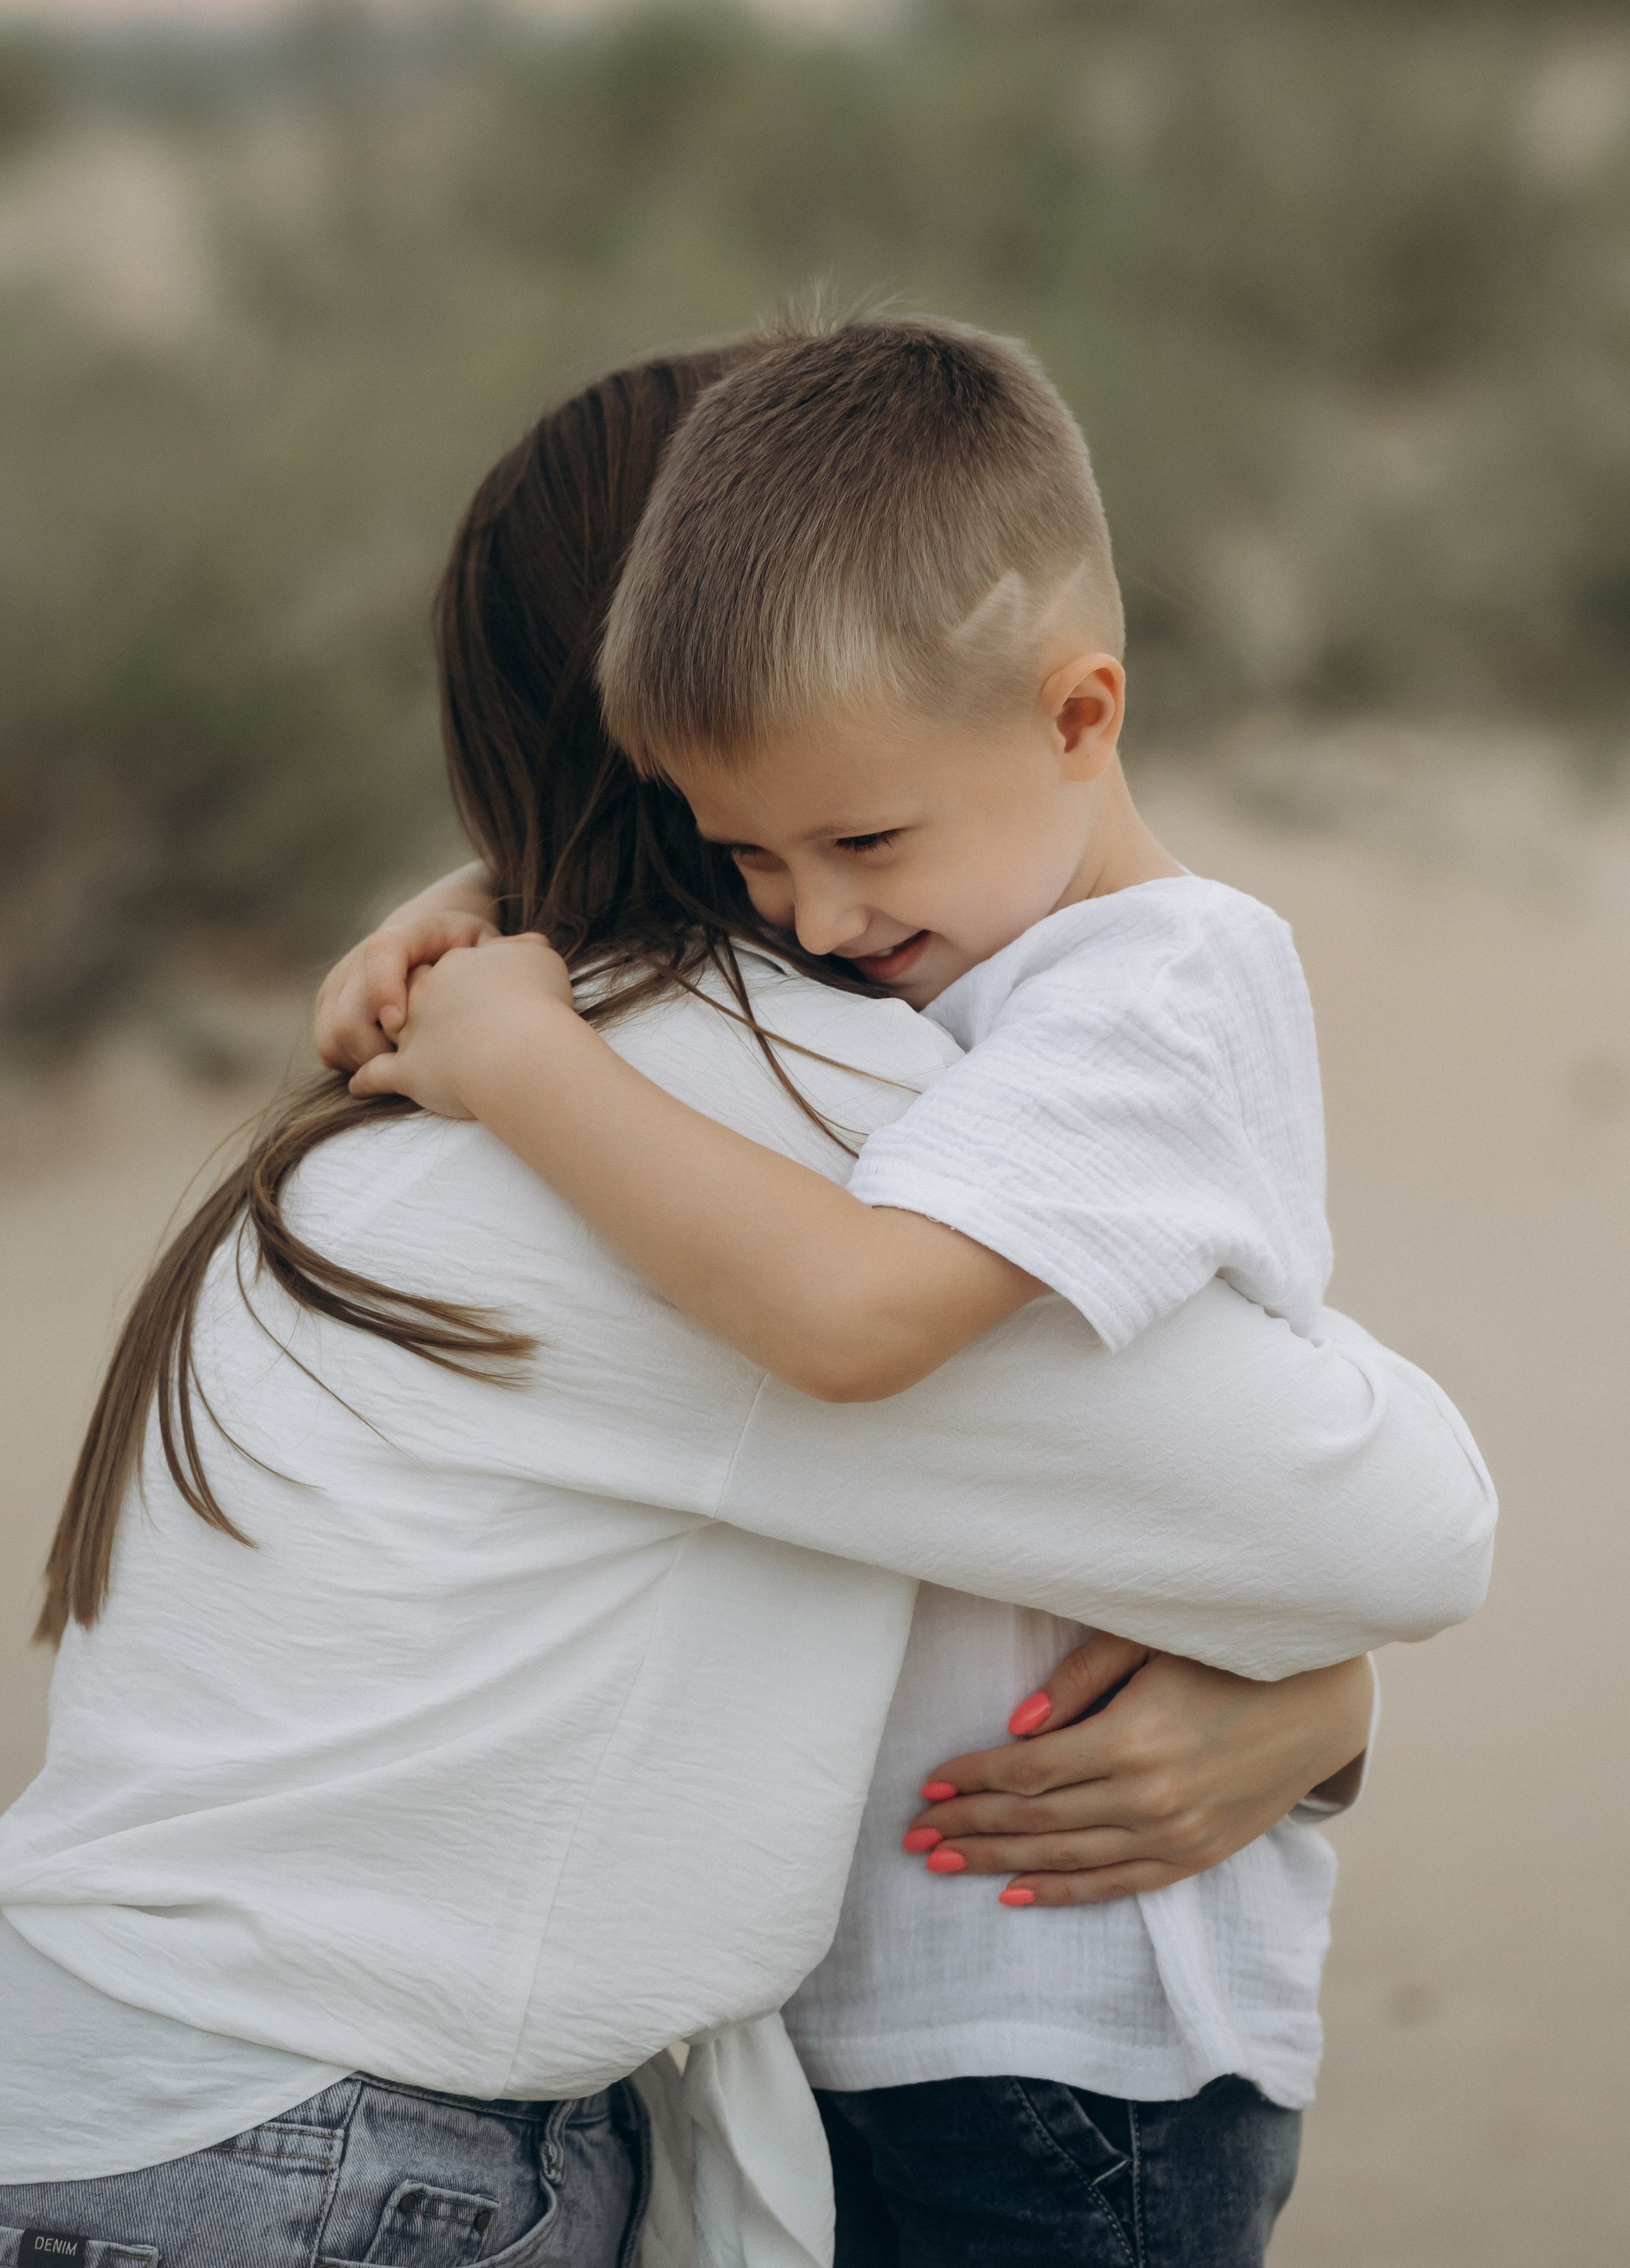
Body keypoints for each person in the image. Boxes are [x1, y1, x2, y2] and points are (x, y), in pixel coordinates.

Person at [0, 350, 1495, 2268]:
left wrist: (492, 943)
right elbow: (1386, 1518)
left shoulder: (573, 1081)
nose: (812, 909)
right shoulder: (691, 1128)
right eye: (753, 849)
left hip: (183, 2118)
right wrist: (1322, 1674)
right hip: (322, 2164)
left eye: (851, 839)